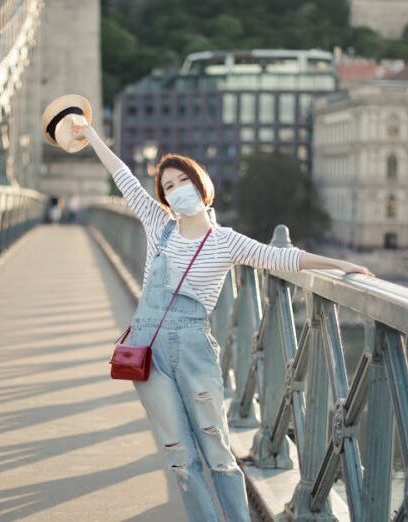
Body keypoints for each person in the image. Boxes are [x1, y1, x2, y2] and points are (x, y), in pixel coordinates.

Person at [71, 121, 374, 522]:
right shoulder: (158, 227)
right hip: (148, 353)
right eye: (169, 187)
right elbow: (121, 174)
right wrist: (90, 133)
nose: (178, 190)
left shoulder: (225, 241)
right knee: (179, 455)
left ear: (201, 184)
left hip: (194, 350)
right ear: (163, 198)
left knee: (217, 451)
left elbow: (281, 257)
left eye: (184, 181)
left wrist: (340, 264)